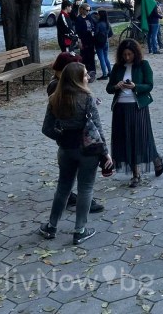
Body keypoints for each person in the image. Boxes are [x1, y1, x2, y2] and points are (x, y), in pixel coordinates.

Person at [40, 62, 113, 246]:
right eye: (86, 74)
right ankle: (80, 230)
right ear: (77, 78)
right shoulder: (87, 98)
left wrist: (61, 136)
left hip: (66, 149)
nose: (88, 77)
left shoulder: (55, 99)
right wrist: (105, 153)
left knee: (63, 188)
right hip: (88, 150)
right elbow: (97, 127)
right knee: (86, 188)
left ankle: (51, 226)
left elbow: (47, 129)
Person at [46, 52, 105, 214]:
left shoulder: (62, 84)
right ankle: (80, 219)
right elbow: (57, 118)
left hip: (70, 141)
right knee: (77, 182)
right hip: (75, 141)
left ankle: (55, 223)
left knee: (68, 180)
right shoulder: (56, 86)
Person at [106, 39, 163, 187]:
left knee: (141, 138)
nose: (127, 57)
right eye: (124, 54)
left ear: (135, 53)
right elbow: (109, 88)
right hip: (120, 107)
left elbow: (149, 85)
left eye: (129, 54)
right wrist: (117, 86)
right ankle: (135, 174)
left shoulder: (143, 65)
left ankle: (155, 158)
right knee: (125, 140)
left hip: (137, 107)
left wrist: (135, 86)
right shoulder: (118, 67)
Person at [74, 3, 97, 81]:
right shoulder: (79, 19)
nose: (88, 11)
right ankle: (85, 73)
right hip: (84, 40)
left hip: (91, 40)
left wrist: (93, 31)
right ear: (82, 10)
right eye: (87, 10)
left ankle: (92, 72)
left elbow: (94, 25)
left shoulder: (89, 17)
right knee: (84, 57)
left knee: (91, 56)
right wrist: (79, 40)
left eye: (89, 10)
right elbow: (77, 31)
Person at [94, 10, 113, 80]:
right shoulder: (108, 23)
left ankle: (104, 74)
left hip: (99, 43)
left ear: (100, 15)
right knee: (106, 57)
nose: (97, 15)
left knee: (101, 58)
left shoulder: (98, 24)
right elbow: (111, 34)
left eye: (98, 14)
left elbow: (95, 34)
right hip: (106, 42)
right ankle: (110, 72)